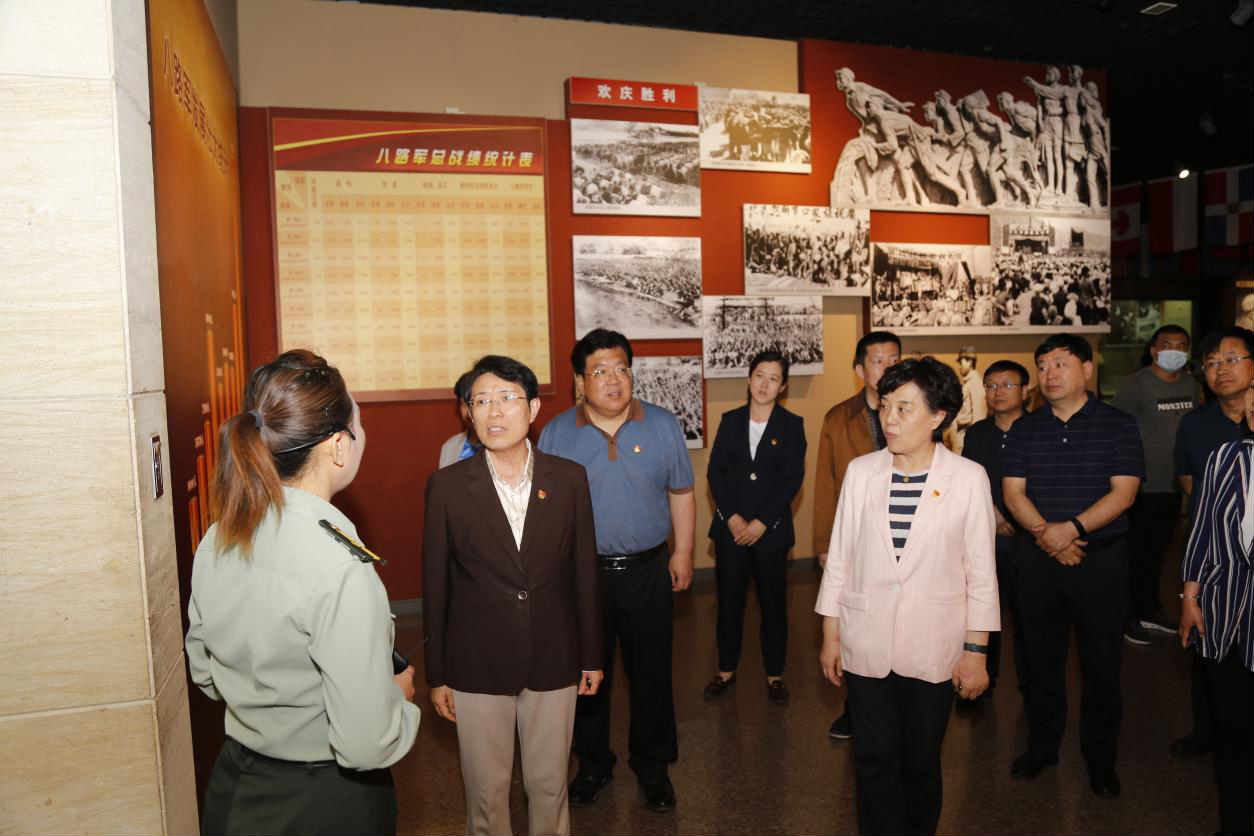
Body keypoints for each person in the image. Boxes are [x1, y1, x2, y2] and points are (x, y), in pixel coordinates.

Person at [185, 350, 419, 836]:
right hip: (325, 802)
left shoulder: (219, 537)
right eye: (358, 426)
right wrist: (396, 699)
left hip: (235, 785)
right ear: (338, 447)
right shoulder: (341, 566)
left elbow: (205, 674)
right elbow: (365, 743)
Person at [817, 357, 999, 836]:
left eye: (904, 408)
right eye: (885, 407)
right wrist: (830, 636)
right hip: (866, 639)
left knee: (921, 760)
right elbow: (840, 558)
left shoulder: (968, 478)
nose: (889, 419)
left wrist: (976, 651)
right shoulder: (861, 472)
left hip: (933, 645)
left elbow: (981, 574)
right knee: (872, 759)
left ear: (938, 416)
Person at [423, 355, 603, 836]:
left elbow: (584, 572)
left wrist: (591, 655)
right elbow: (436, 584)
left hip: (554, 655)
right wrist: (438, 673)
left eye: (507, 398)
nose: (494, 411)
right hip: (476, 662)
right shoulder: (447, 487)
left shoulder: (568, 479)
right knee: (486, 793)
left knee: (549, 785)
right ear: (469, 413)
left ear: (534, 408)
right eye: (481, 401)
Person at [537, 328, 695, 812]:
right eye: (600, 371)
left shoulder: (662, 425)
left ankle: (653, 767)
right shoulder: (557, 434)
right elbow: (545, 510)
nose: (613, 379)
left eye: (621, 369)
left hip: (649, 570)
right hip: (583, 577)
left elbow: (681, 491)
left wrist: (683, 551)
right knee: (589, 676)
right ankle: (592, 764)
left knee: (653, 674)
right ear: (579, 381)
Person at [1002, 333, 1144, 798]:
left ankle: (1100, 762)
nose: (1049, 374)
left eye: (1060, 364)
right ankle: (1041, 748)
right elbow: (1012, 493)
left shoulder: (1118, 424)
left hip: (1100, 563)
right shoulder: (1025, 428)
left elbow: (1124, 493)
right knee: (1040, 663)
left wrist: (1073, 529)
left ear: (1087, 368)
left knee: (1102, 666)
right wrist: (1049, 535)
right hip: (1039, 560)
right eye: (1042, 366)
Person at [704, 350, 807, 705]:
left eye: (773, 379)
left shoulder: (792, 426)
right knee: (728, 605)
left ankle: (775, 675)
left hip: (771, 534)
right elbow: (715, 473)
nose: (764, 385)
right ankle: (725, 670)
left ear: (783, 387)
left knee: (773, 607)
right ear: (749, 379)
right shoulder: (730, 420)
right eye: (759, 376)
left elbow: (792, 480)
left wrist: (763, 522)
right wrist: (731, 517)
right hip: (730, 532)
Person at [1171, 326, 1254, 759]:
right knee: (1209, 652)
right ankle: (1209, 733)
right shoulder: (1196, 423)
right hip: (1214, 556)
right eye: (1211, 363)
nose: (1221, 370)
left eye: (1231, 359)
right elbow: (1191, 484)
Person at [814, 330, 901, 741]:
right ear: (860, 370)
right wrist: (823, 546)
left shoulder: (920, 412)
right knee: (854, 629)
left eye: (894, 359)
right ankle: (856, 708)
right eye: (878, 360)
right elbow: (826, 485)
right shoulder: (839, 418)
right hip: (856, 541)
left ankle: (902, 703)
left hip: (905, 537)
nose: (887, 367)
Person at [1178, 385, 1254, 836]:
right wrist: (1189, 597)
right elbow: (1202, 528)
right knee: (1233, 731)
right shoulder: (1226, 457)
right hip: (1227, 614)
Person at [1112, 325, 1197, 646]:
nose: (1174, 350)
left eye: (1181, 345)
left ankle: (1150, 609)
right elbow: (1116, 429)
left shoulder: (1191, 384)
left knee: (1160, 553)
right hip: (1140, 486)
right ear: (1153, 350)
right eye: (1167, 344)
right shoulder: (1135, 384)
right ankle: (1126, 617)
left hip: (1174, 484)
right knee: (1135, 554)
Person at [960, 359, 1032, 705]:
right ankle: (981, 685)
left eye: (1007, 385)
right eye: (990, 386)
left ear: (1025, 391)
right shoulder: (977, 434)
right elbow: (968, 482)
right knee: (985, 614)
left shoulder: (1039, 429)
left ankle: (1031, 689)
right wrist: (993, 515)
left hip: (1031, 541)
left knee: (1029, 618)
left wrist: (1019, 517)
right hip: (986, 541)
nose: (997, 392)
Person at [437, 370, 480, 468]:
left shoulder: (503, 445)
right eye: (464, 404)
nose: (469, 412)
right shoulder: (451, 446)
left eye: (479, 402)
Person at [953, 346, 987, 452]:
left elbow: (979, 416)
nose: (959, 366)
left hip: (967, 438)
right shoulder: (969, 383)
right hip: (962, 435)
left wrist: (975, 444)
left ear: (970, 362)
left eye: (961, 362)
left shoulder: (975, 383)